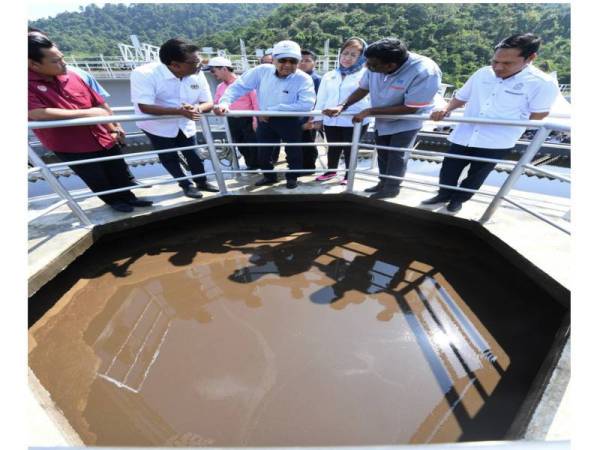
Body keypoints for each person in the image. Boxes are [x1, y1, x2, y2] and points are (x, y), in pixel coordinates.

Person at [424, 33, 560, 212]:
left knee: (476, 176)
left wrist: (510, 125)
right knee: (449, 169)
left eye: (507, 63)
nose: (498, 67)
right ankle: (443, 194)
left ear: (531, 58)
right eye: (495, 61)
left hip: (497, 141)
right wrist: (447, 108)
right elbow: (461, 97)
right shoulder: (482, 73)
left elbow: (539, 114)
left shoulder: (542, 83)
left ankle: (458, 200)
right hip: (464, 133)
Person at [28, 33, 153, 213]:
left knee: (118, 169)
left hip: (102, 135)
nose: (63, 63)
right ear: (34, 64)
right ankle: (113, 202)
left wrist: (113, 126)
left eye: (62, 58)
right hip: (72, 144)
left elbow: (99, 103)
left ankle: (129, 197)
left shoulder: (72, 76)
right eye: (56, 61)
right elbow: (36, 113)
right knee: (96, 176)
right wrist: (88, 114)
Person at [323, 38, 442, 199]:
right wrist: (342, 106)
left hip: (407, 119)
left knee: (396, 154)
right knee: (383, 153)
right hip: (382, 117)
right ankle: (383, 182)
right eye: (367, 63)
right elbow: (363, 88)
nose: (368, 68)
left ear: (390, 66)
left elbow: (411, 107)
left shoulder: (425, 71)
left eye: (372, 66)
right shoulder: (375, 64)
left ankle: (392, 187)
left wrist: (370, 111)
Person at [214, 40, 316, 189]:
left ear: (298, 62)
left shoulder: (304, 79)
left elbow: (306, 104)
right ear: (274, 60)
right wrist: (224, 103)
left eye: (292, 61)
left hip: (290, 120)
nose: (287, 64)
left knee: (293, 150)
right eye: (282, 60)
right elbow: (238, 87)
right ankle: (268, 176)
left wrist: (273, 110)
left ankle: (292, 176)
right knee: (263, 150)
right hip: (265, 120)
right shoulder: (261, 71)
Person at [130, 38, 218, 199]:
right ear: (174, 65)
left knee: (194, 154)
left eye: (199, 61)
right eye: (194, 62)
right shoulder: (144, 74)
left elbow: (208, 102)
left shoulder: (196, 73)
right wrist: (179, 111)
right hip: (157, 126)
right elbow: (145, 107)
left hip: (186, 122)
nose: (199, 65)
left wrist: (197, 109)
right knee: (169, 156)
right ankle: (186, 185)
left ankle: (202, 181)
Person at [312, 37, 371, 185]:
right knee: (333, 147)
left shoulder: (366, 74)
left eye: (353, 55)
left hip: (354, 119)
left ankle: (348, 175)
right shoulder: (330, 75)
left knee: (350, 149)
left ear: (361, 57)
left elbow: (371, 98)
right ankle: (331, 171)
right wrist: (317, 118)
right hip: (331, 119)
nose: (347, 58)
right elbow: (321, 97)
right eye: (345, 53)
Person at [206, 56, 260, 170]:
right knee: (240, 144)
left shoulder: (245, 83)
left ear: (224, 69)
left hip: (248, 119)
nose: (212, 74)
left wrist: (256, 120)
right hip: (231, 120)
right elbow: (216, 102)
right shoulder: (220, 87)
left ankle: (257, 165)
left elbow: (256, 102)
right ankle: (251, 165)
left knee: (253, 144)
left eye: (213, 70)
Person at [298, 49, 321, 174]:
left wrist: (312, 119)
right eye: (301, 60)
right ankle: (300, 165)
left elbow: (319, 100)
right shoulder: (296, 77)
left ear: (314, 63)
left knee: (308, 143)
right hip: (296, 118)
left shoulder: (316, 79)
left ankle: (308, 167)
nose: (303, 63)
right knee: (298, 142)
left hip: (308, 118)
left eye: (307, 60)